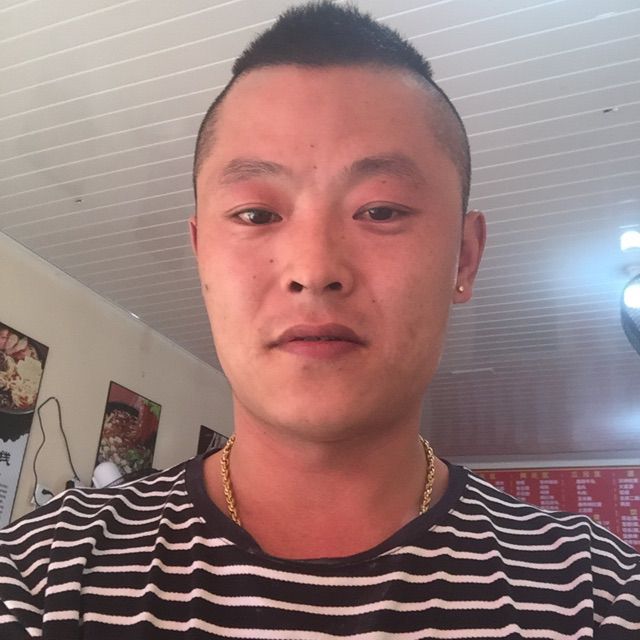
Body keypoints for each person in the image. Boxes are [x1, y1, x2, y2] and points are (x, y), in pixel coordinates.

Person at [1, 2, 638, 638]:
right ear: (201, 256)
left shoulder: (595, 593)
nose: (313, 269)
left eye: (381, 210)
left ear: (464, 259)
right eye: (256, 214)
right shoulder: (43, 577)